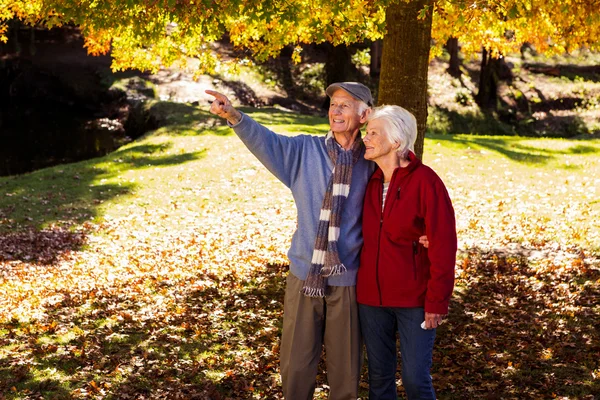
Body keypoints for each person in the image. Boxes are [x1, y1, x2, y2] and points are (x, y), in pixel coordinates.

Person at [205, 82, 375, 400]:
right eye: (333, 104)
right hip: (304, 274)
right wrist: (233, 115)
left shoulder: (373, 159)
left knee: (347, 371)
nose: (336, 110)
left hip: (348, 278)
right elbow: (266, 142)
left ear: (364, 114)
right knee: (296, 367)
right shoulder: (303, 151)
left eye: (346, 105)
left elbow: (399, 192)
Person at [356, 105, 457, 400]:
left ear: (397, 142)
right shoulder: (369, 181)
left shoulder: (426, 181)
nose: (366, 137)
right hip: (371, 300)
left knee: (415, 380)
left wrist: (437, 300)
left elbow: (443, 244)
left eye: (375, 133)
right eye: (366, 131)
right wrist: (367, 114)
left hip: (415, 300)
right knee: (379, 381)